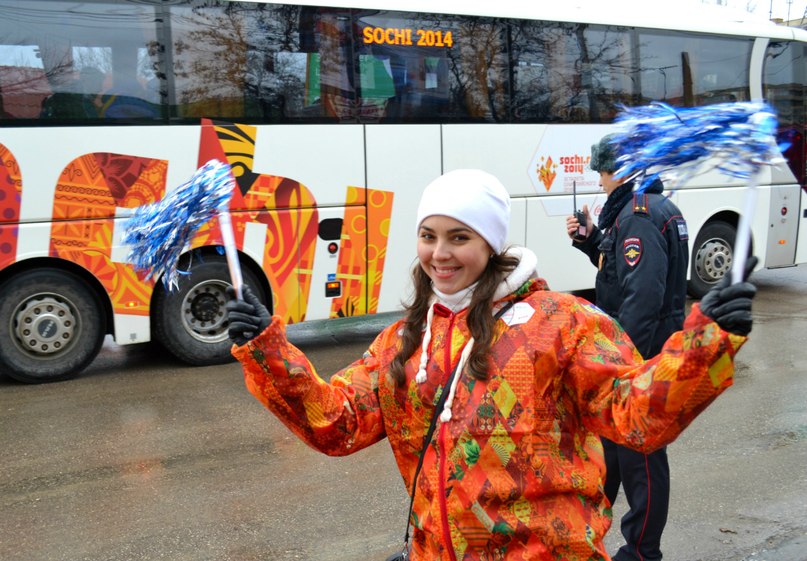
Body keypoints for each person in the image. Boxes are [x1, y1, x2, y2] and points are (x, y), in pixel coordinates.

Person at [226, 168, 756, 561]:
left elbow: (635, 415)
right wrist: (269, 353)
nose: (440, 253)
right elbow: (336, 422)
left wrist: (707, 342)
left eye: (460, 237)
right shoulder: (405, 341)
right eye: (429, 235)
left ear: (491, 243)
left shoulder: (561, 323)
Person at [566, 135, 689, 561]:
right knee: (613, 451)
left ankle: (642, 551)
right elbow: (620, 274)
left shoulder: (637, 217)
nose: (598, 182)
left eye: (601, 172)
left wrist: (617, 364)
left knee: (641, 456)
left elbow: (643, 299)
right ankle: (589, 529)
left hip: (639, 358)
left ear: (617, 171)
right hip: (641, 353)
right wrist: (589, 240)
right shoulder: (647, 210)